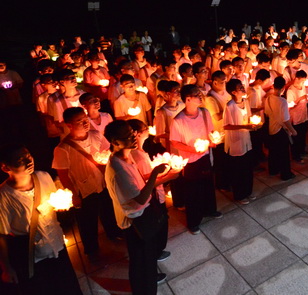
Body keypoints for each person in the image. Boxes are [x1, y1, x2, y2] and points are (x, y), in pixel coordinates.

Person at [104, 120, 179, 295]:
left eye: (133, 133)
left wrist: (164, 178)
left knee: (147, 255)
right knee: (140, 259)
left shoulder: (127, 156)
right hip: (134, 219)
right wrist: (155, 174)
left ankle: (150, 278)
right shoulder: (117, 168)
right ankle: (143, 289)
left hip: (142, 213)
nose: (134, 137)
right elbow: (139, 198)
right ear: (115, 142)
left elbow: (138, 183)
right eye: (128, 136)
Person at [0, 145, 82, 295]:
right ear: (6, 167)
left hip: (56, 244)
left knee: (68, 286)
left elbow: (52, 205)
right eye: (20, 160)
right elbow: (2, 236)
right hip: (32, 255)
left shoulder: (43, 176)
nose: (28, 161)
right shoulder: (4, 196)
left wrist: (64, 204)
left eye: (29, 155)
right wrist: (6, 268)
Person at [52, 107, 122, 255]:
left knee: (108, 210)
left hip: (103, 182)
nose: (85, 123)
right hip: (84, 189)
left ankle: (113, 232)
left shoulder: (96, 135)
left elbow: (107, 153)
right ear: (69, 125)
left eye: (85, 119)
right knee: (87, 221)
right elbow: (63, 174)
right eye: (80, 121)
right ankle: (91, 249)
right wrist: (74, 195)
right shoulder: (63, 148)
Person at [170, 85, 221, 231]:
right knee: (193, 191)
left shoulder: (204, 113)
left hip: (205, 156)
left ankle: (210, 210)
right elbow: (175, 141)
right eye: (197, 95)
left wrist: (213, 140)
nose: (201, 96)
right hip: (190, 161)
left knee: (208, 185)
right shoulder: (178, 120)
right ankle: (194, 222)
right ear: (187, 99)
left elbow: (211, 130)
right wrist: (193, 150)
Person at [127, 119, 171, 262]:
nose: (148, 129)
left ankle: (156, 250)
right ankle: (157, 252)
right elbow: (147, 180)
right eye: (145, 128)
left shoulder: (138, 151)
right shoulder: (137, 155)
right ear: (137, 134)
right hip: (152, 196)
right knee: (160, 221)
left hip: (152, 194)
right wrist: (171, 174)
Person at [223, 79, 258, 203]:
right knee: (238, 169)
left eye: (242, 86)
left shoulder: (245, 101)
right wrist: (244, 127)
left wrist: (254, 123)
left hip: (246, 139)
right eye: (240, 88)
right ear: (233, 92)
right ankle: (240, 195)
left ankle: (248, 191)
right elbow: (226, 126)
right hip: (236, 141)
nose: (243, 89)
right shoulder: (230, 106)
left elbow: (248, 117)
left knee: (248, 167)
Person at [264, 76, 297, 180]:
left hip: (271, 128)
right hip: (280, 130)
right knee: (284, 154)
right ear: (283, 88)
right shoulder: (282, 101)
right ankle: (286, 174)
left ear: (273, 86)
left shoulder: (268, 98)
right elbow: (286, 120)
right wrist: (293, 131)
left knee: (273, 151)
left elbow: (267, 113)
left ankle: (273, 170)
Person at [204, 71, 232, 190]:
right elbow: (217, 116)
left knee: (228, 160)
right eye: (222, 82)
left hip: (228, 131)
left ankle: (228, 181)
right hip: (219, 134)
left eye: (225, 81)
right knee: (221, 161)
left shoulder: (226, 92)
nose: (225, 84)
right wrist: (232, 107)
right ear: (215, 82)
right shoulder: (210, 98)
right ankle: (222, 184)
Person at [286, 70, 308, 163]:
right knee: (296, 137)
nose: (303, 83)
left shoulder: (303, 86)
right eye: (302, 80)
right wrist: (300, 98)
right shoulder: (291, 90)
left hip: (304, 115)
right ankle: (296, 156)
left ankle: (302, 150)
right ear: (296, 78)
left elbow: (306, 98)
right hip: (295, 117)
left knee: (303, 135)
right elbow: (290, 105)